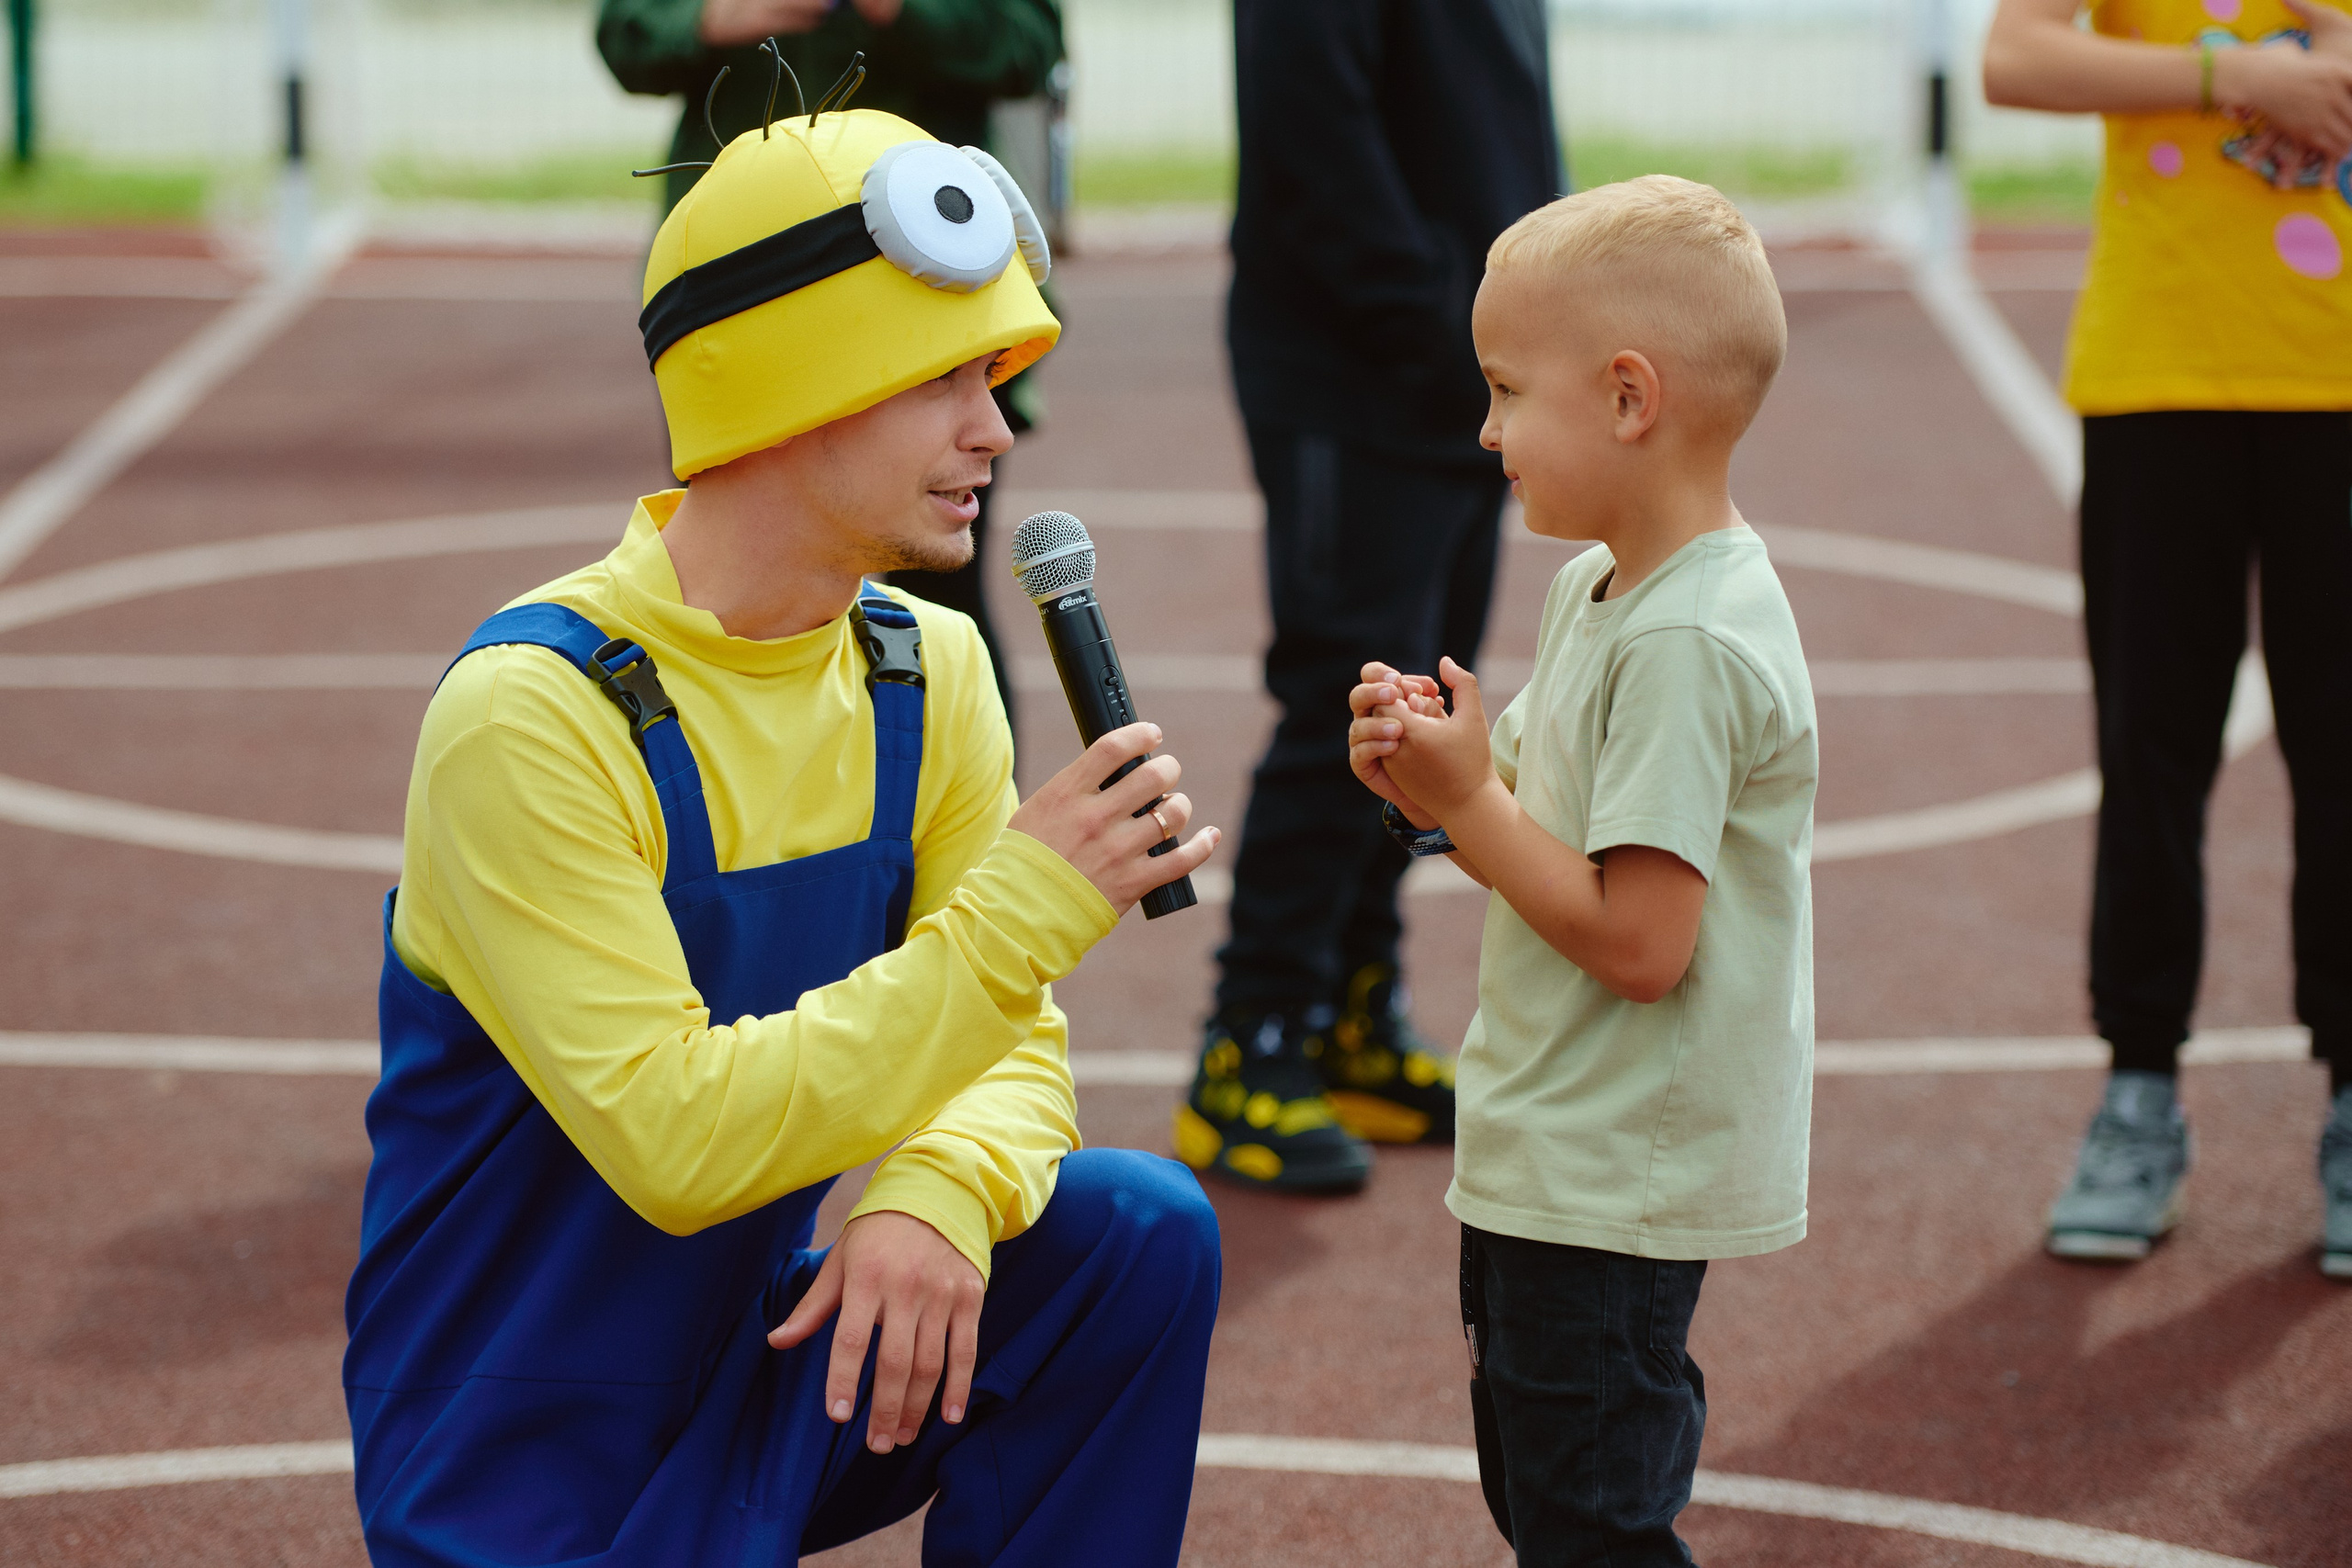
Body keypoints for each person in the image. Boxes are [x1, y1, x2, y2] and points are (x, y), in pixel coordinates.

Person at [343, 108, 1223, 1567]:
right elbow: (680, 1136)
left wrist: (937, 1193)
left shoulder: (925, 672)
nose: (994, 432)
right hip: (520, 1462)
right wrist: (1024, 911)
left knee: (1132, 1237)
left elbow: (1010, 1041)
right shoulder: (531, 715)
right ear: (796, 384)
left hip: (758, 1363)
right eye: (948, 377)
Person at [1349, 177, 1812, 1562]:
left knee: (1592, 1518)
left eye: (1505, 389)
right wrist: (1443, 777)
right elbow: (1533, 810)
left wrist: (1467, 803)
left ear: (1627, 397)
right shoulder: (1601, 585)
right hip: (1559, 1136)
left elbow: (1639, 940)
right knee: (1551, 1495)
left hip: (1619, 1161)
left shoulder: (1689, 640)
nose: (1485, 428)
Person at [1984, 0, 2352, 1277]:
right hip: (2160, 369)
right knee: (2152, 755)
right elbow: (2014, 55)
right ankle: (2138, 1091)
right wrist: (2232, 73)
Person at [1179, 0, 1561, 1193]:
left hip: (1467, 365)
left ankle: (1351, 1010)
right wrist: (1438, 314)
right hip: (1358, 369)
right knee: (1342, 701)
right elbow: (1315, 139)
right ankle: (1254, 1037)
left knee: (1419, 700)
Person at [595, 0, 1063, 728]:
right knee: (741, 591)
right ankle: (725, 811)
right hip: (739, 308)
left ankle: (968, 817)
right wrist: (710, 19)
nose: (993, 430)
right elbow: (624, 32)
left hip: (937, 292)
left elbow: (1027, 46)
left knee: (942, 603)